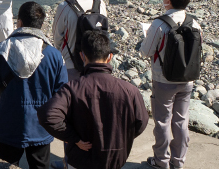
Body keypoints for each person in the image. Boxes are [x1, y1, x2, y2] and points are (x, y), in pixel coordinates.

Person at [38, 31, 149, 169]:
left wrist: (74, 138)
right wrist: (119, 139)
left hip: (80, 159)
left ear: (82, 56)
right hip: (114, 160)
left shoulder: (72, 88)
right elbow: (141, 122)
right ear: (110, 58)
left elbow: (47, 115)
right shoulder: (130, 90)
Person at [0, 1, 68, 169]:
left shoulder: (0, 50)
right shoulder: (54, 55)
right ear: (41, 25)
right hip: (40, 126)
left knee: (8, 164)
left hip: (8, 124)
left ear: (19, 22)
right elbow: (61, 92)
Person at [139, 0, 203, 169]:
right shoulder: (195, 23)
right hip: (187, 78)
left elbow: (146, 51)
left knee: (162, 122)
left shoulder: (160, 24)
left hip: (163, 79)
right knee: (182, 120)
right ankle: (178, 161)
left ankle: (161, 161)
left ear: (167, 1)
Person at [52, 0, 107, 83]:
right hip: (96, 64)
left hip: (71, 64)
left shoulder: (64, 6)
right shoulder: (100, 4)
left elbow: (57, 37)